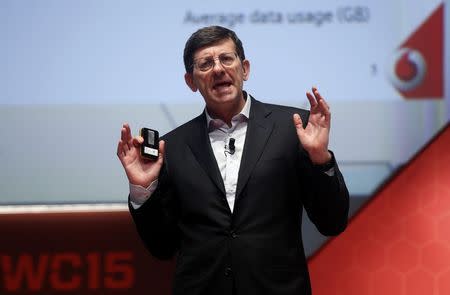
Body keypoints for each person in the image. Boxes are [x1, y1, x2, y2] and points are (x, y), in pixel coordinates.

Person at [117, 25, 349, 295]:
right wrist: (144, 191)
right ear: (191, 81)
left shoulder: (293, 129)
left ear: (245, 69)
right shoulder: (173, 147)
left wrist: (320, 158)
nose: (218, 69)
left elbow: (332, 221)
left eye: (227, 59)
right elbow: (162, 247)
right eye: (205, 64)